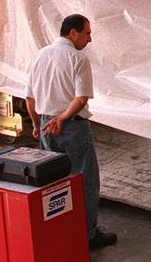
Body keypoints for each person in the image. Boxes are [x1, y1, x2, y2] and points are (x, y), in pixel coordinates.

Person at [25, 14, 117, 249]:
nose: (90, 39)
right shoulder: (77, 58)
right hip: (72, 128)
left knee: (53, 182)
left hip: (47, 126)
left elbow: (30, 98)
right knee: (84, 181)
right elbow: (81, 98)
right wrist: (62, 119)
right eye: (87, 33)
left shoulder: (40, 56)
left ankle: (59, 230)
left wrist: (38, 125)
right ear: (72, 33)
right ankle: (87, 234)